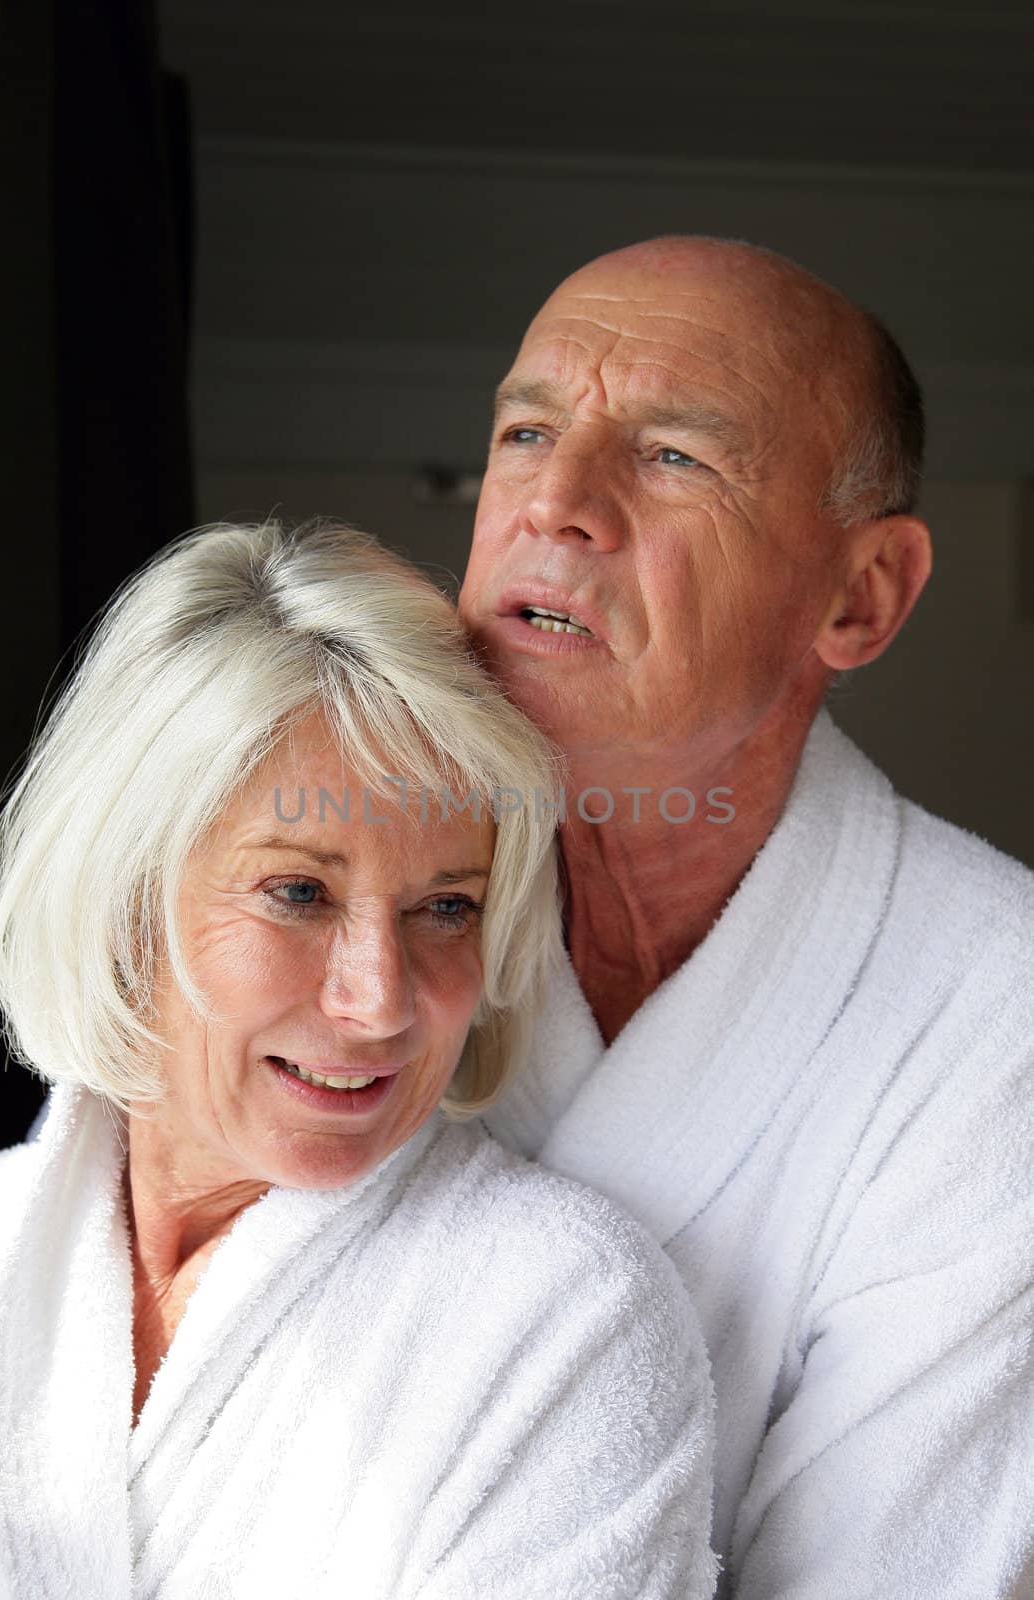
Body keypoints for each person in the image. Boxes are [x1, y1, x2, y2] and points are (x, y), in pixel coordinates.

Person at [0, 521, 719, 1599]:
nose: (376, 1000)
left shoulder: (561, 1317)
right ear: (124, 895)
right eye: (298, 892)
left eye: (444, 907)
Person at [459, 235, 1034, 1598]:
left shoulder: (993, 1007)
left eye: (670, 458)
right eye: (526, 429)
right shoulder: (303, 892)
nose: (555, 500)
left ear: (860, 596)